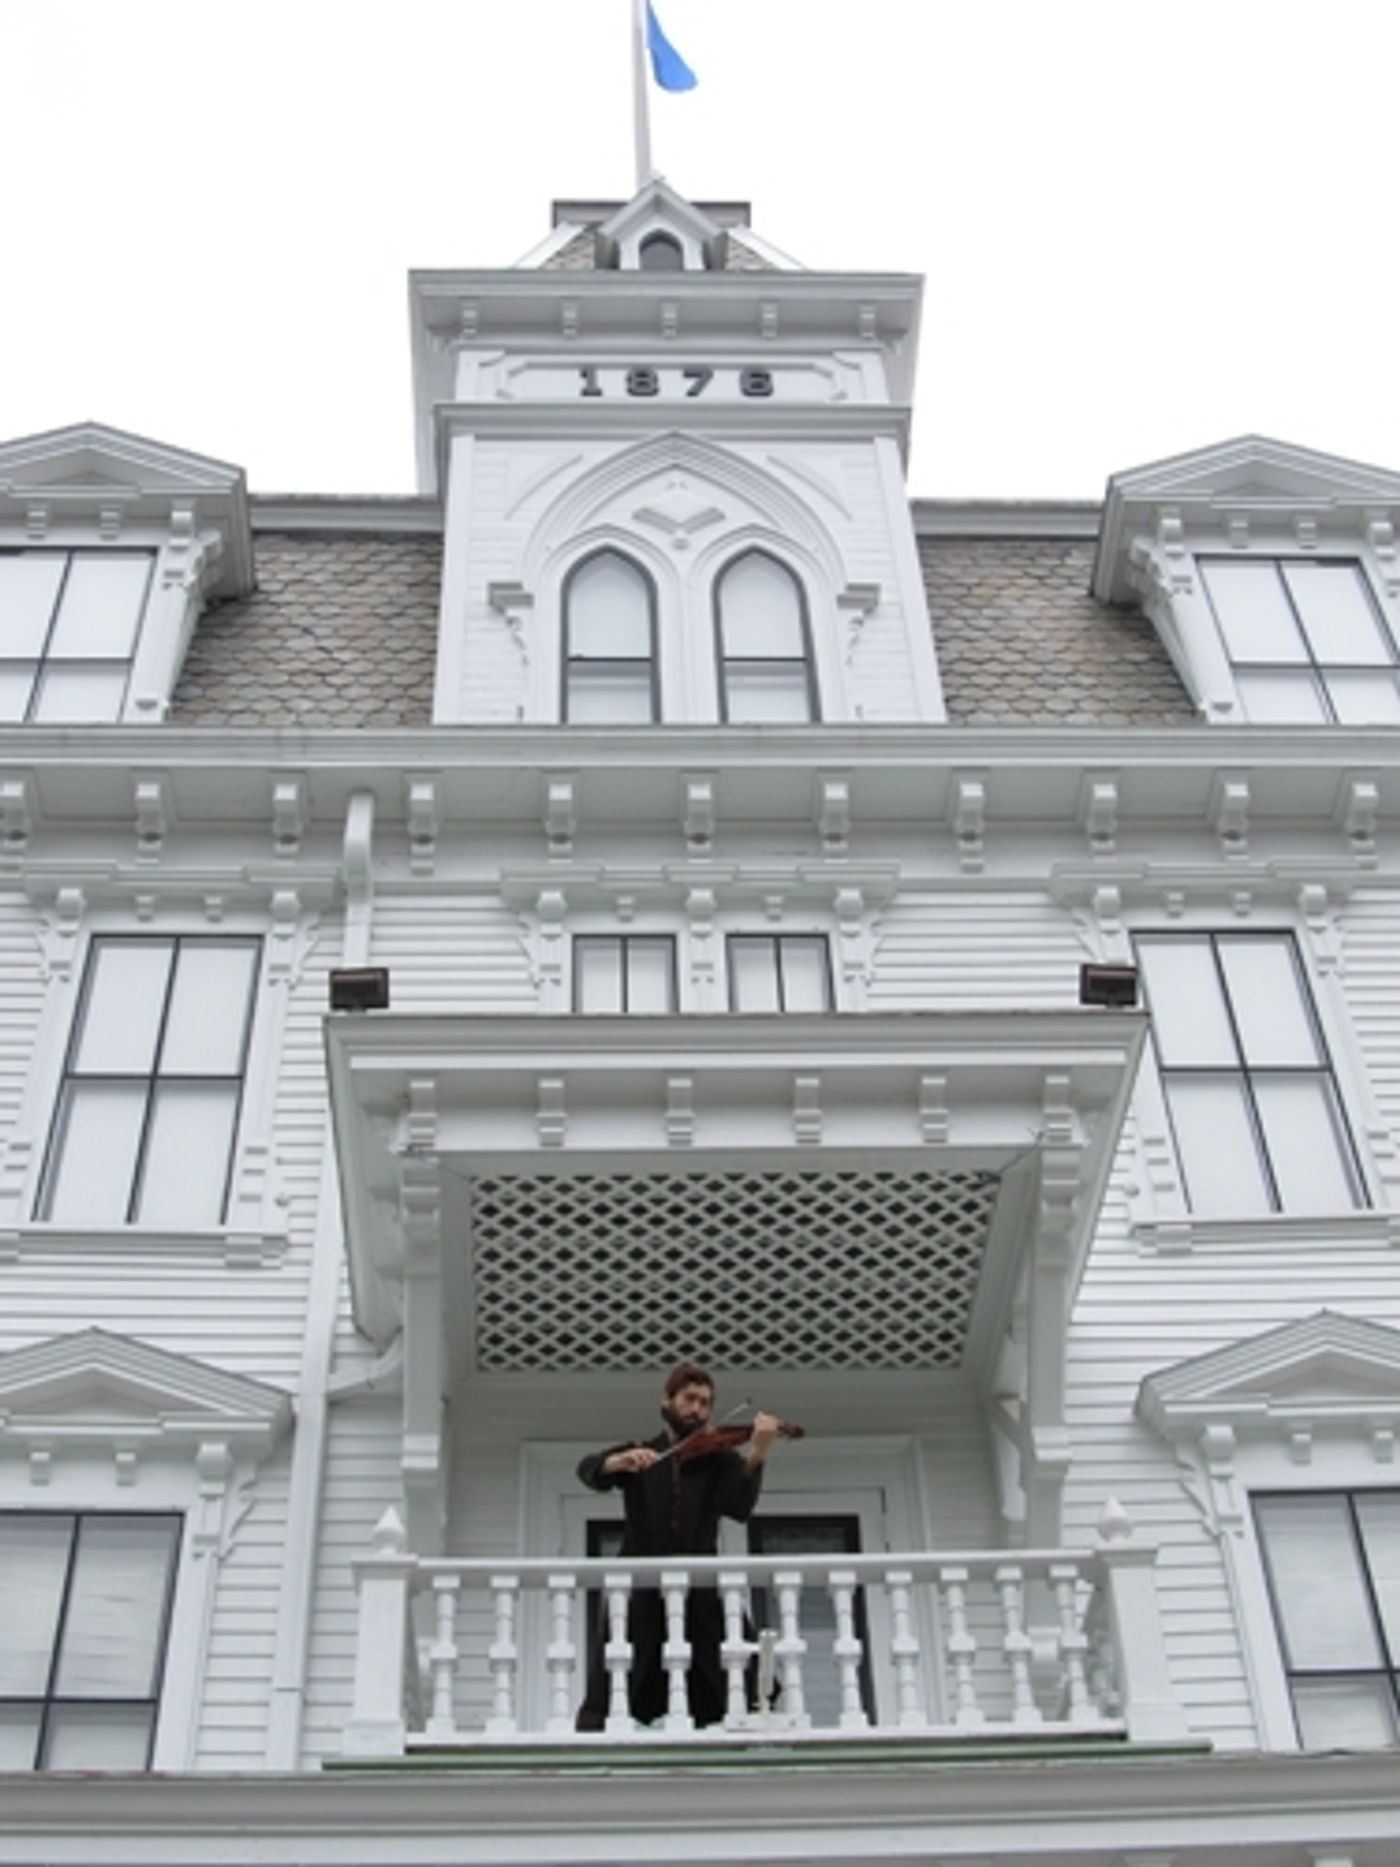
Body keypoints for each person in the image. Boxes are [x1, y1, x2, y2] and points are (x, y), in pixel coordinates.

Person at [574, 1362, 782, 1731]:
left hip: (700, 1587)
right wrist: (616, 1462)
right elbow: (589, 1470)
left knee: (729, 1672)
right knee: (620, 1674)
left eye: (705, 1403)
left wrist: (758, 1452)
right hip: (641, 1586)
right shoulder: (642, 1453)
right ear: (666, 1400)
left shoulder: (717, 1459)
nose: (697, 1409)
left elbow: (739, 1506)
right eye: (689, 1399)